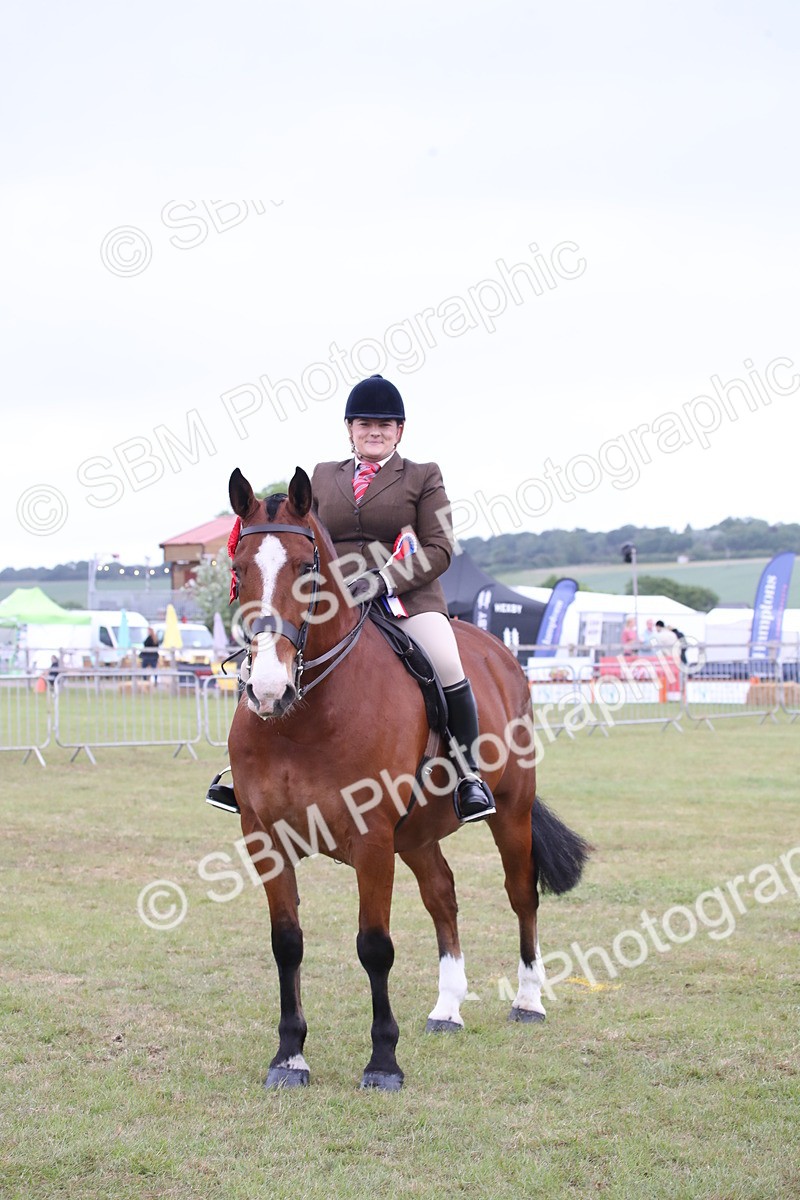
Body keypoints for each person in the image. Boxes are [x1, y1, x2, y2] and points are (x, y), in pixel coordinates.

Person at [206, 374, 496, 824]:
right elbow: (303, 533)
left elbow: (439, 548)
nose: (374, 431)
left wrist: (384, 581)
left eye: (385, 424)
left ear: (400, 431)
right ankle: (242, 773)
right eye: (364, 424)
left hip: (406, 601)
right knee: (259, 661)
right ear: (350, 429)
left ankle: (468, 776)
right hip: (333, 602)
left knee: (446, 663)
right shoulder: (323, 475)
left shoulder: (422, 476)